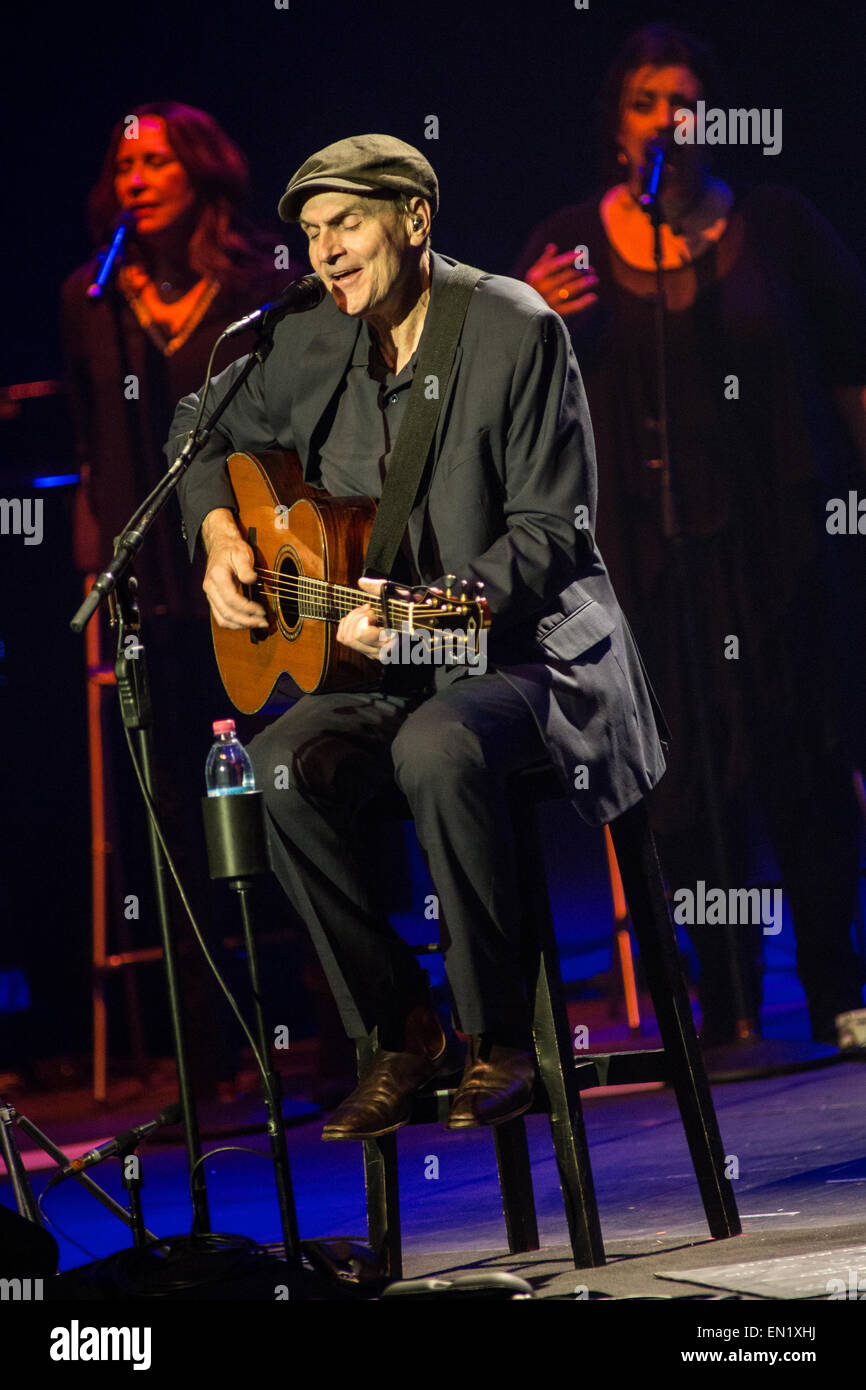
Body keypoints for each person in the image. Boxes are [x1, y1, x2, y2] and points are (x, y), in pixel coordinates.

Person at [167, 133, 668, 1139]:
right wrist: (219, 530)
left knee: (436, 745)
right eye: (310, 235)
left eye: (344, 225)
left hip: (530, 654)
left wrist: (440, 603)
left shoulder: (513, 328)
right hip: (386, 660)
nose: (325, 253)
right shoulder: (307, 339)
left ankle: (500, 1037)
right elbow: (196, 425)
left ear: (413, 218)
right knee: (273, 768)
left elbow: (551, 531)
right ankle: (398, 1031)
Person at [514, 24, 866, 1046]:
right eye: (642, 101)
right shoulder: (570, 243)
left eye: (683, 99)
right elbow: (507, 401)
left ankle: (836, 984)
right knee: (676, 778)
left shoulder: (778, 225)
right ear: (615, 128)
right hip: (644, 553)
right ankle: (721, 1002)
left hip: (776, 546)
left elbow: (851, 371)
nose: (665, 118)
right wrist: (530, 316)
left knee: (800, 758)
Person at [61, 101, 304, 1096]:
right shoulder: (92, 296)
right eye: (124, 163)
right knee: (167, 807)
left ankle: (315, 1024)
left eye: (155, 160)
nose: (137, 177)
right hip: (148, 575)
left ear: (199, 171)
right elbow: (90, 440)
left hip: (252, 564)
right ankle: (206, 1047)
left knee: (278, 783)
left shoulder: (255, 282)